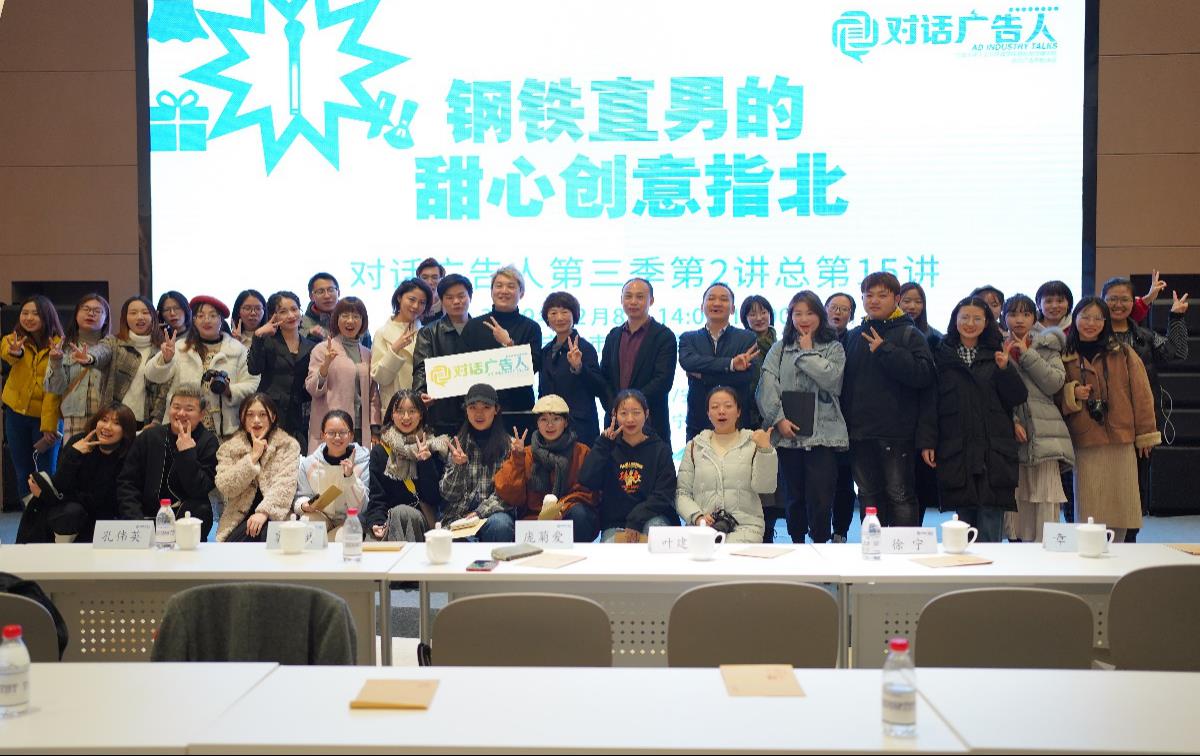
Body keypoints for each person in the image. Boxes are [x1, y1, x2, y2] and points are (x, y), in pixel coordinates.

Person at [925, 297, 1027, 542]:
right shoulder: (940, 354)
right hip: (957, 446)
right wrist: (927, 441)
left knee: (991, 515)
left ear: (987, 322)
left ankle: (991, 566)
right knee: (962, 518)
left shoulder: (997, 352)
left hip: (993, 448)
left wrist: (1005, 369)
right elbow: (930, 402)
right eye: (965, 317)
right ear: (955, 320)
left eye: (977, 318)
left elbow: (1017, 397)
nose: (970, 323)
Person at [1058, 297, 1160, 542]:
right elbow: (1053, 394)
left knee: (1122, 502)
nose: (1091, 323)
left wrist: (1145, 433)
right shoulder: (1065, 356)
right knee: (1089, 504)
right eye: (1085, 317)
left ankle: (1119, 551)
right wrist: (1072, 393)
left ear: (1105, 322)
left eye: (1097, 318)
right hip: (1085, 439)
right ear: (1075, 319)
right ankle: (1090, 551)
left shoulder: (1123, 352)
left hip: (1121, 437)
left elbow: (1142, 394)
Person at [842, 272, 937, 527]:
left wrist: (886, 350)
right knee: (867, 496)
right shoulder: (854, 335)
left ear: (896, 299)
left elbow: (924, 376)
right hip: (860, 434)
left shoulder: (909, 334)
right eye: (868, 295)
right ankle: (873, 548)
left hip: (897, 435)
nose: (874, 300)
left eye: (882, 295)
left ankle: (904, 549)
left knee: (900, 496)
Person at [757, 291, 849, 544]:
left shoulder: (834, 348)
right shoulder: (779, 348)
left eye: (809, 313)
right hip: (788, 434)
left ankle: (820, 544)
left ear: (820, 315)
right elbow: (766, 386)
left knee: (821, 498)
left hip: (824, 436)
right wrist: (779, 420)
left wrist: (807, 353)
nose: (804, 319)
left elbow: (832, 381)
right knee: (793, 497)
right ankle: (797, 543)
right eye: (797, 314)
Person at [1102, 275, 1189, 539]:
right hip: (1100, 425)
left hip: (1139, 425)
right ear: (1102, 301)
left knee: (1135, 486)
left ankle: (1129, 540)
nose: (1118, 305)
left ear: (1133, 302)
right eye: (1112, 299)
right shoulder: (1091, 335)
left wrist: (1176, 318)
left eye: (1124, 299)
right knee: (1102, 486)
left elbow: (1177, 353)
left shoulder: (1145, 337)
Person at [1001, 294, 1073, 542]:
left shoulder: (1047, 345)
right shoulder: (997, 347)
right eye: (1013, 314)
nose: (1019, 320)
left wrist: (1027, 354)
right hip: (1010, 433)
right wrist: (1012, 421)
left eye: (1026, 314)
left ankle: (1047, 550)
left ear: (1034, 318)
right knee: (1016, 499)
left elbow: (1054, 383)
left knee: (1045, 498)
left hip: (1045, 431)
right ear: (1004, 318)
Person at [15, 402, 135, 544]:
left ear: (125, 431)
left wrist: (51, 495)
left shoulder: (130, 454)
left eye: (116, 423)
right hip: (72, 512)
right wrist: (73, 454)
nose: (107, 427)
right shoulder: (78, 442)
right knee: (71, 512)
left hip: (105, 518)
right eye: (104, 420)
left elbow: (107, 499)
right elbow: (59, 486)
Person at [144, 295, 259, 441]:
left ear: (221, 320)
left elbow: (252, 383)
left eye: (213, 315)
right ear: (194, 320)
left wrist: (229, 390)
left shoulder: (238, 350)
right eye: (201, 315)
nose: (207, 320)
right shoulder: (180, 347)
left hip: (225, 430)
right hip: (182, 426)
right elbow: (152, 375)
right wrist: (165, 359)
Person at [485, 394, 598, 542]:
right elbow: (509, 495)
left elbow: (589, 493)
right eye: (544, 419)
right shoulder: (525, 453)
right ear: (537, 423)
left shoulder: (581, 452)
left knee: (581, 514)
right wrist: (517, 459)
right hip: (533, 520)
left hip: (567, 514)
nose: (550, 425)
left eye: (556, 419)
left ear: (565, 422)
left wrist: (559, 509)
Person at [117, 384, 220, 536]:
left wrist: (187, 453)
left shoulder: (208, 442)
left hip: (186, 520)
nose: (181, 413)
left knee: (200, 508)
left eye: (189, 409)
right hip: (145, 517)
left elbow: (200, 489)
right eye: (176, 407)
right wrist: (136, 521)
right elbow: (127, 483)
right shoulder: (149, 437)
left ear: (202, 414)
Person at [677, 387, 776, 543]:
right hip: (703, 529)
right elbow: (682, 493)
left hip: (745, 528)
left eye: (728, 406)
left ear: (738, 412)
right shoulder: (694, 447)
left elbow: (766, 487)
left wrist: (765, 451)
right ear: (708, 413)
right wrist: (698, 517)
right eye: (715, 407)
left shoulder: (754, 443)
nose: (721, 411)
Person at [578, 389, 680, 542]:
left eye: (636, 413)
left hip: (654, 517)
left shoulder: (660, 449)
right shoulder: (606, 446)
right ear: (614, 415)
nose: (630, 419)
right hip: (616, 523)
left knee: (658, 541)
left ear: (646, 414)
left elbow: (664, 493)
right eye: (624, 413)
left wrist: (637, 519)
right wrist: (603, 444)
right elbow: (587, 480)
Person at [599, 278, 678, 447]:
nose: (633, 301)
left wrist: (631, 407)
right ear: (621, 300)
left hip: (651, 421)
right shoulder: (613, 335)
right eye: (628, 296)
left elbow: (663, 381)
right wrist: (616, 407)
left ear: (651, 300)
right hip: (615, 422)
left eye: (640, 297)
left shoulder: (664, 336)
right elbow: (604, 377)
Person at [2, 295, 65, 505]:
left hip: (46, 417)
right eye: (25, 313)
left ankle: (49, 513)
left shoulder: (59, 345)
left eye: (35, 314)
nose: (28, 318)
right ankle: (30, 514)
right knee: (23, 470)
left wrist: (49, 425)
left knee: (47, 471)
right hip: (16, 415)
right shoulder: (12, 339)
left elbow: (55, 391)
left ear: (47, 316)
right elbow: (7, 354)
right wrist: (16, 352)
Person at [363, 390, 449, 542]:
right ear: (392, 415)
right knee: (372, 540)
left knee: (402, 513)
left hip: (422, 519)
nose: (406, 417)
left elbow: (434, 498)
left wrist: (425, 463)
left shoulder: (434, 446)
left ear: (421, 414)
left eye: (412, 411)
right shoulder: (380, 451)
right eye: (400, 411)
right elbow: (377, 497)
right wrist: (377, 522)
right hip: (388, 519)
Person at [214, 393, 302, 542]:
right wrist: (253, 457)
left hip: (275, 516)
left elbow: (285, 485)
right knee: (236, 544)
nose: (256, 420)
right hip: (238, 518)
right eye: (250, 415)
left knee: (267, 536)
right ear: (242, 417)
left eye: (262, 414)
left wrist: (264, 512)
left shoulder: (287, 445)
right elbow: (226, 486)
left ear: (273, 417)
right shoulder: (229, 448)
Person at [679, 282, 760, 441]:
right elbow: (688, 363)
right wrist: (731, 365)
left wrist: (704, 376)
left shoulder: (747, 338)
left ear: (733, 309)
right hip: (698, 422)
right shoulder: (688, 338)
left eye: (723, 299)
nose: (717, 303)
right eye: (711, 298)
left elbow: (747, 376)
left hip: (737, 424)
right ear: (702, 306)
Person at [460, 265, 543, 413]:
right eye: (499, 286)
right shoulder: (474, 326)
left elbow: (533, 368)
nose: (504, 291)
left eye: (511, 286)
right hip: (480, 409)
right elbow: (462, 368)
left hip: (519, 407)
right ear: (491, 291)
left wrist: (508, 344)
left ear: (521, 293)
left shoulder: (531, 327)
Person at [304, 297, 381, 453]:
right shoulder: (322, 349)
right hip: (331, 429)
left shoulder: (367, 353)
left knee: (356, 467)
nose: (350, 321)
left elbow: (373, 393)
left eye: (356, 316)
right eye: (345, 316)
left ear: (363, 321)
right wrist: (325, 365)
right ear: (336, 319)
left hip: (359, 429)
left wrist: (375, 427)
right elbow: (312, 389)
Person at [740, 294, 784, 541]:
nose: (758, 318)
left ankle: (768, 530)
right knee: (750, 480)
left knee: (773, 481)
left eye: (763, 312)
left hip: (776, 419)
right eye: (752, 313)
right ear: (744, 318)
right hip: (749, 420)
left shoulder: (783, 343)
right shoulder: (741, 345)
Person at [248, 291, 316, 449]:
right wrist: (257, 336)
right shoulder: (267, 341)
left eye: (294, 309)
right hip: (270, 410)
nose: (291, 315)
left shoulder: (311, 345)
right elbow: (254, 369)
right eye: (283, 311)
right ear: (274, 316)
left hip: (299, 414)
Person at [438, 383, 511, 528]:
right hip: (459, 515)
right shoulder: (457, 444)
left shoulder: (509, 446)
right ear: (466, 410)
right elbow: (448, 495)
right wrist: (458, 467)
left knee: (500, 525)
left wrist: (480, 512)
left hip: (492, 513)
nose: (479, 413)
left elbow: (507, 494)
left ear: (496, 409)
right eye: (472, 407)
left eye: (486, 407)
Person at [898, 282, 941, 524]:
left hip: (923, 420)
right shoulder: (884, 334)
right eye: (907, 300)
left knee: (919, 486)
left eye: (918, 301)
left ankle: (915, 533)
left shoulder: (935, 338)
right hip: (894, 420)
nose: (912, 306)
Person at [538, 291, 605, 447]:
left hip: (579, 427)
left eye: (565, 312)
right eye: (553, 313)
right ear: (547, 319)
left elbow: (599, 387)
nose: (559, 318)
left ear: (574, 315)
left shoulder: (585, 348)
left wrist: (579, 367)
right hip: (550, 427)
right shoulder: (546, 351)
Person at [293, 409, 370, 540]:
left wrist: (349, 476)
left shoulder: (361, 461)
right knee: (307, 523)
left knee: (341, 538)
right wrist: (304, 505)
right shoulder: (309, 464)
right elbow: (301, 496)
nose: (337, 437)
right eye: (331, 433)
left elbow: (362, 506)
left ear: (351, 435)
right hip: (321, 515)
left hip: (351, 519)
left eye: (343, 433)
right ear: (323, 435)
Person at [413, 273, 473, 437]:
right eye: (449, 297)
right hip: (442, 414)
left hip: (478, 414)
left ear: (470, 297)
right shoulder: (429, 332)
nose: (456, 301)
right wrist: (420, 393)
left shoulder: (482, 329)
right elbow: (421, 368)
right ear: (441, 300)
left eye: (461, 296)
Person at [45, 293, 112, 438]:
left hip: (108, 418)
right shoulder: (63, 348)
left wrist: (89, 358)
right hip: (74, 417)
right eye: (85, 309)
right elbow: (55, 389)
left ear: (106, 319)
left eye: (97, 311)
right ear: (76, 315)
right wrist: (56, 362)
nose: (91, 313)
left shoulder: (113, 347)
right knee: (75, 452)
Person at [102, 295, 169, 429]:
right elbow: (100, 352)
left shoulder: (163, 349)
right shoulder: (114, 342)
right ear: (125, 318)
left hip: (147, 422)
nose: (140, 317)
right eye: (133, 313)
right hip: (114, 419)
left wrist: (156, 421)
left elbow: (164, 390)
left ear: (153, 316)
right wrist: (89, 358)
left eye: (145, 312)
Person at [824, 292, 858, 541]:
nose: (838, 312)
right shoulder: (810, 338)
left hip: (847, 421)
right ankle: (818, 531)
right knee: (818, 483)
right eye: (834, 307)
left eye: (844, 309)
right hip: (817, 421)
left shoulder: (856, 340)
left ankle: (840, 532)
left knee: (844, 482)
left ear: (851, 316)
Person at [371, 278, 431, 413]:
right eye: (411, 299)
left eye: (422, 302)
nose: (416, 306)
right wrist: (395, 348)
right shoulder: (382, 333)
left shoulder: (427, 333)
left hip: (422, 408)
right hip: (394, 409)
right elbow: (380, 378)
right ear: (399, 298)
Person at [300, 272, 339, 340]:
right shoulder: (301, 324)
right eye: (320, 291)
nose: (327, 296)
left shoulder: (352, 316)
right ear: (311, 297)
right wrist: (309, 336)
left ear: (339, 293)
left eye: (331, 290)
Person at [416, 257, 445, 325]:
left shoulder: (445, 299)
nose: (429, 282)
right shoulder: (412, 300)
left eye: (434, 277)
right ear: (418, 279)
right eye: (424, 278)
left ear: (441, 279)